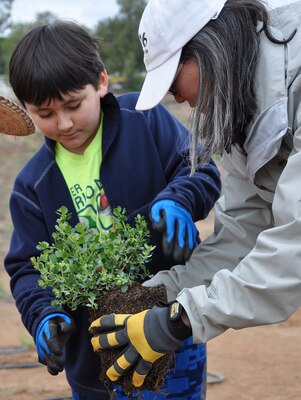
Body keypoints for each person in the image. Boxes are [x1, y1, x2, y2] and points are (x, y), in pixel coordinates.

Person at [89, 0, 301, 391]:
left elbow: (295, 245)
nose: (179, 99)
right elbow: (242, 234)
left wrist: (179, 320)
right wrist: (161, 293)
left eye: (173, 82)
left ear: (206, 47)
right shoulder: (241, 108)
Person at [4, 20, 221, 400]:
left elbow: (200, 168)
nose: (64, 122)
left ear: (101, 82)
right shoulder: (31, 187)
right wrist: (44, 317)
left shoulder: (146, 118)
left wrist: (178, 201)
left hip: (172, 333)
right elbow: (27, 269)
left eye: (73, 105)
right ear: (27, 109)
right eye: (45, 113)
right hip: (95, 366)